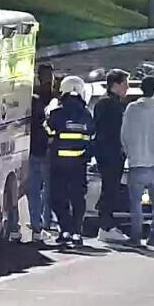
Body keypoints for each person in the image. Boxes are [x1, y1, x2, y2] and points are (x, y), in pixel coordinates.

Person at [120, 76, 154, 247]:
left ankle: (136, 236)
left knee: (136, 203)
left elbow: (124, 135)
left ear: (141, 88)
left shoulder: (132, 108)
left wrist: (129, 152)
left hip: (136, 162)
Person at [46, 75, 95, 246]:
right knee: (78, 199)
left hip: (58, 164)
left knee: (58, 198)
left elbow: (49, 136)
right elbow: (89, 140)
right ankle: (76, 232)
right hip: (79, 165)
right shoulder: (86, 114)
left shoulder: (56, 113)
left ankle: (64, 229)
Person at [93, 68, 129, 242]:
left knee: (111, 189)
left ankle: (107, 224)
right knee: (110, 188)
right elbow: (112, 131)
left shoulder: (106, 102)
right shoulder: (110, 104)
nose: (127, 88)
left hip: (107, 152)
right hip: (110, 153)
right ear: (116, 84)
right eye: (125, 84)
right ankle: (106, 225)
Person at [27, 62, 55, 245]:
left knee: (35, 190)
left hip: (34, 149)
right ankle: (44, 224)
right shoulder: (53, 99)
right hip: (46, 151)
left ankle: (37, 225)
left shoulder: (31, 98)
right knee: (46, 190)